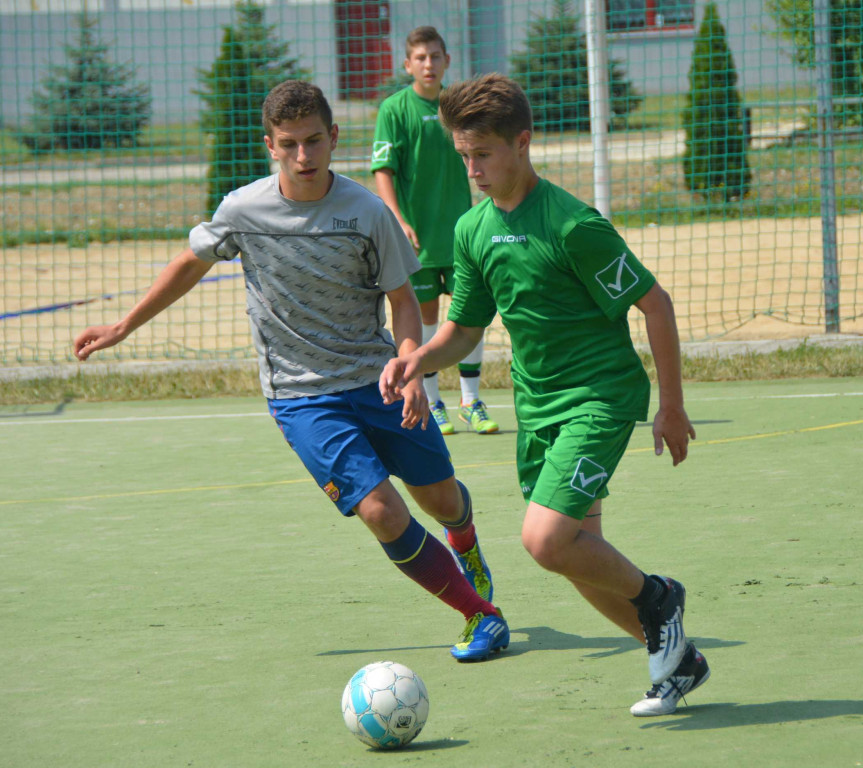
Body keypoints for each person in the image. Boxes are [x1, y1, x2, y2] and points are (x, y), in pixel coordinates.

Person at [72, 79, 509, 663]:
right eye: (289, 144)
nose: (303, 156)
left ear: (333, 137)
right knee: (381, 510)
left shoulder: (366, 211)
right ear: (269, 146)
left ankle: (466, 541)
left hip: (376, 378)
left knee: (443, 499)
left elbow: (404, 301)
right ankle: (480, 616)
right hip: (301, 397)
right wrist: (122, 327)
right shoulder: (243, 210)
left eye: (313, 141)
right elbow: (188, 263)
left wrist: (408, 367)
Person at [379, 73, 710, 715]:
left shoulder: (573, 225)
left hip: (600, 398)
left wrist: (671, 405)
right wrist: (419, 359)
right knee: (575, 557)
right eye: (464, 155)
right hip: (539, 410)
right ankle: (677, 661)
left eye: (483, 154)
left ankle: (660, 597)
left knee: (544, 540)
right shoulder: (473, 229)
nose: (472, 168)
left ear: (522, 143)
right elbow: (465, 329)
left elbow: (657, 305)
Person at [371, 26, 500, 437]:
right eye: (421, 58)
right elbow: (383, 171)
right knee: (426, 316)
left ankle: (471, 401)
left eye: (436, 56)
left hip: (461, 236)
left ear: (447, 61)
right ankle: (434, 400)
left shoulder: (456, 109)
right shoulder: (395, 110)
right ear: (408, 64)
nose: (429, 64)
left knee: (470, 315)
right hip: (418, 241)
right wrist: (398, 219)